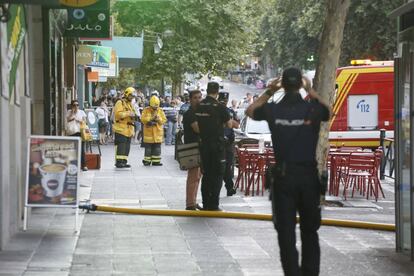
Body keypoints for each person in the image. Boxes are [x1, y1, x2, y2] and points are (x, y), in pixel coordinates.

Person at [246, 67, 331, 276]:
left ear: (282, 84)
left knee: (286, 234)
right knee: (310, 232)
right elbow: (329, 111)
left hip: (284, 179)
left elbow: (250, 111)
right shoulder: (312, 109)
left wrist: (270, 91)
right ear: (300, 84)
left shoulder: (273, 110)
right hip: (309, 178)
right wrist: (310, 90)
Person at [195, 82, 233, 211]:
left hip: (204, 145)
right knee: (217, 175)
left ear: (207, 90)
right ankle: (214, 205)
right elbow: (229, 125)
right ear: (217, 92)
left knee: (206, 174)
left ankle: (206, 203)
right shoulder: (219, 107)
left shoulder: (199, 106)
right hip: (217, 146)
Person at [183, 90, 203, 210]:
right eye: (195, 98)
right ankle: (190, 203)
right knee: (193, 176)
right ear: (190, 99)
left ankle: (193, 201)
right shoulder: (190, 114)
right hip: (191, 148)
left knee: (197, 176)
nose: (198, 100)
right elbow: (197, 129)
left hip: (198, 147)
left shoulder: (198, 112)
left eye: (200, 97)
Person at [218, 92, 239, 196]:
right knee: (221, 167)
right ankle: (228, 187)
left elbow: (237, 125)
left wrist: (228, 120)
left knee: (228, 165)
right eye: (222, 100)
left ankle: (229, 187)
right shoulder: (214, 111)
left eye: (225, 101)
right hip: (218, 142)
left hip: (229, 143)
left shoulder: (230, 111)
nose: (224, 102)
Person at [113, 87, 138, 168]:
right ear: (127, 94)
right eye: (131, 96)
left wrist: (135, 116)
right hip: (121, 129)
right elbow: (118, 114)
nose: (132, 98)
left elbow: (132, 113)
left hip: (128, 129)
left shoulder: (129, 104)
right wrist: (128, 113)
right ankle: (119, 162)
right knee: (121, 146)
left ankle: (124, 161)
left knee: (127, 147)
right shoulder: (120, 103)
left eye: (133, 97)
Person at [141, 96, 167, 166]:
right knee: (148, 148)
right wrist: (151, 119)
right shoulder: (146, 110)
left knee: (157, 148)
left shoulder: (160, 110)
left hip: (158, 133)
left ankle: (156, 161)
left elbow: (164, 120)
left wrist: (158, 119)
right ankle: (147, 161)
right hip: (149, 133)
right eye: (154, 107)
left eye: (156, 107)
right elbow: (143, 119)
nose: (155, 108)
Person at [66, 99, 88, 171]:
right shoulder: (69, 112)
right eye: (74, 105)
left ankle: (83, 165)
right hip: (71, 132)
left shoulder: (81, 112)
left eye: (77, 105)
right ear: (71, 106)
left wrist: (79, 120)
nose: (76, 106)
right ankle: (72, 165)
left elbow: (85, 121)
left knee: (81, 149)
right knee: (72, 149)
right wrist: (72, 113)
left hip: (80, 132)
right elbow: (68, 119)